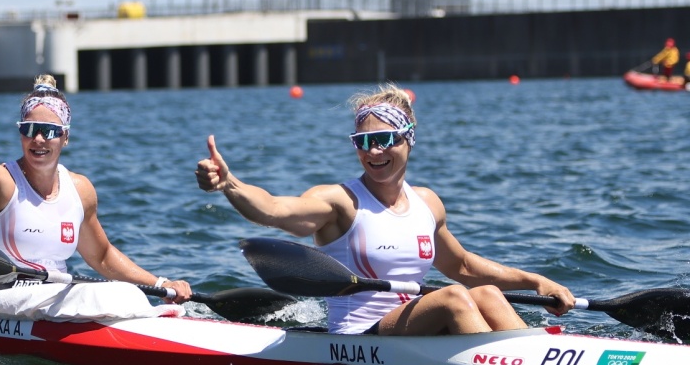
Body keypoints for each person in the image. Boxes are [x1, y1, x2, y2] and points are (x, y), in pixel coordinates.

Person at [195, 84, 575, 335]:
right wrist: (229, 183)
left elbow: (461, 267)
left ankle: (538, 359)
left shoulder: (427, 203)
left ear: (408, 139)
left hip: (410, 330)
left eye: (384, 139)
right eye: (363, 142)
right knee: (453, 297)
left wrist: (535, 281)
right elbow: (275, 210)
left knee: (489, 293)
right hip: (360, 336)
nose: (373, 151)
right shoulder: (340, 202)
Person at [0, 74, 192, 303]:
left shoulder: (80, 190)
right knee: (103, 300)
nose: (38, 139)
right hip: (2, 305)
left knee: (127, 299)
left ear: (65, 137)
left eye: (49, 131)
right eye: (29, 130)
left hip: (60, 301)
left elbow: (103, 258)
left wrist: (161, 283)